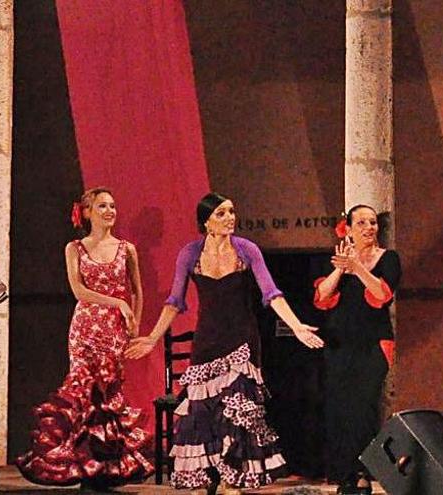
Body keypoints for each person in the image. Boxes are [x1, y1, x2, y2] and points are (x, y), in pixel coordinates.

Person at [125, 192, 323, 492]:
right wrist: (152, 338)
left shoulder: (247, 250)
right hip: (208, 341)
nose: (230, 217)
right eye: (221, 213)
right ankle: (212, 480)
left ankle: (233, 482)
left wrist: (296, 327)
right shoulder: (189, 254)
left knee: (236, 412)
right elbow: (174, 302)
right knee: (205, 413)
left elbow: (271, 293)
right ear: (206, 222)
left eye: (231, 211)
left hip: (242, 340)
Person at [16, 187, 154, 488]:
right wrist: (117, 302)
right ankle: (78, 464)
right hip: (85, 328)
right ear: (88, 211)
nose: (110, 211)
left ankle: (105, 466)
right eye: (103, 206)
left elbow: (137, 290)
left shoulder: (126, 248)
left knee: (107, 394)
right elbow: (78, 291)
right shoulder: (75, 248)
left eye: (113, 205)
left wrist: (135, 324)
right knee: (81, 393)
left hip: (114, 330)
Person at [314, 205, 401, 495]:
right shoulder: (339, 259)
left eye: (373, 222)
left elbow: (381, 295)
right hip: (340, 344)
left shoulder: (389, 259)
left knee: (364, 408)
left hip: (373, 345)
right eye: (361, 222)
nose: (369, 227)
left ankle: (364, 472)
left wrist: (358, 267)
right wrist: (341, 268)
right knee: (340, 408)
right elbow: (321, 297)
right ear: (348, 228)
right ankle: (345, 474)